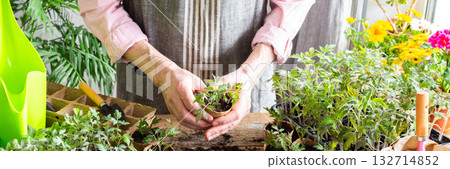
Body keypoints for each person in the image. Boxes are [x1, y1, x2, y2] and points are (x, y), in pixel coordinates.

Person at [78, 0, 315, 141]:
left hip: (247, 91)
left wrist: (250, 74)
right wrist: (162, 72)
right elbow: (100, 6)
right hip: (148, 92)